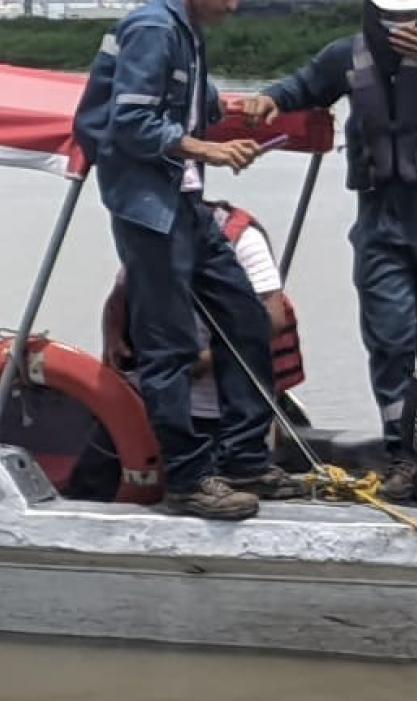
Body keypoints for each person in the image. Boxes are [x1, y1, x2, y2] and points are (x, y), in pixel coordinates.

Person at [242, 0, 417, 502]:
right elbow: (302, 86)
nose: (403, 27)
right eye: (393, 17)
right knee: (390, 339)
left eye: (412, 16)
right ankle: (402, 453)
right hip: (380, 221)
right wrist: (270, 98)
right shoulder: (346, 56)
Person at [72, 0, 303, 519]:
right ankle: (189, 480)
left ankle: (244, 459)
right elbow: (130, 122)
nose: (236, 4)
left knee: (245, 318)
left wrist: (241, 109)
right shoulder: (154, 26)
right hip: (150, 209)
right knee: (169, 345)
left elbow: (197, 103)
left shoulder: (186, 30)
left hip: (185, 204)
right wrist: (208, 149)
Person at [102, 200, 306, 439]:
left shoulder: (241, 240)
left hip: (222, 404)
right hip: (151, 396)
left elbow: (271, 320)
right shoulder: (148, 231)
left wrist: (202, 361)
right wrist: (113, 338)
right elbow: (119, 296)